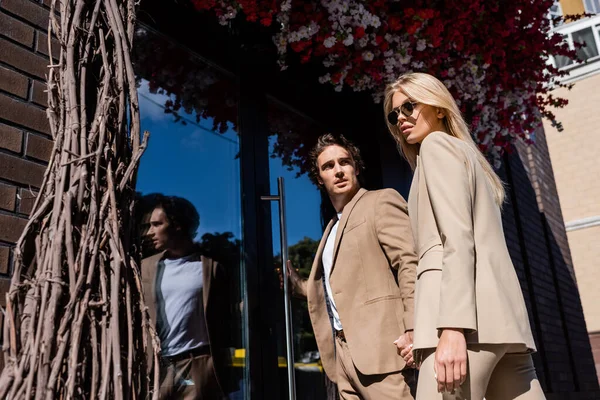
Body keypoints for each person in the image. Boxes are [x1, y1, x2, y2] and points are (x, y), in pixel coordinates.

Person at [384, 72, 545, 399]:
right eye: (394, 113)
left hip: (465, 328)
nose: (401, 117)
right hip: (503, 326)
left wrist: (452, 329)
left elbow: (457, 240)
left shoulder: (435, 146)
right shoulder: (469, 155)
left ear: (439, 108)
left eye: (410, 106)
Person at [285, 133, 417, 400]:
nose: (338, 170)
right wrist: (301, 287)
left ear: (356, 167)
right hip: (343, 356)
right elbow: (344, 288)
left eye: (344, 162)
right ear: (319, 179)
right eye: (328, 166)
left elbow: (409, 263)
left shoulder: (381, 201)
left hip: (386, 353)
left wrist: (415, 328)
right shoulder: (331, 229)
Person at [140, 194, 233, 400]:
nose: (150, 232)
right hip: (157, 365)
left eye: (157, 224)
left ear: (177, 225)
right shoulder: (146, 267)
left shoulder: (210, 267)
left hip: (196, 364)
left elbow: (226, 317)